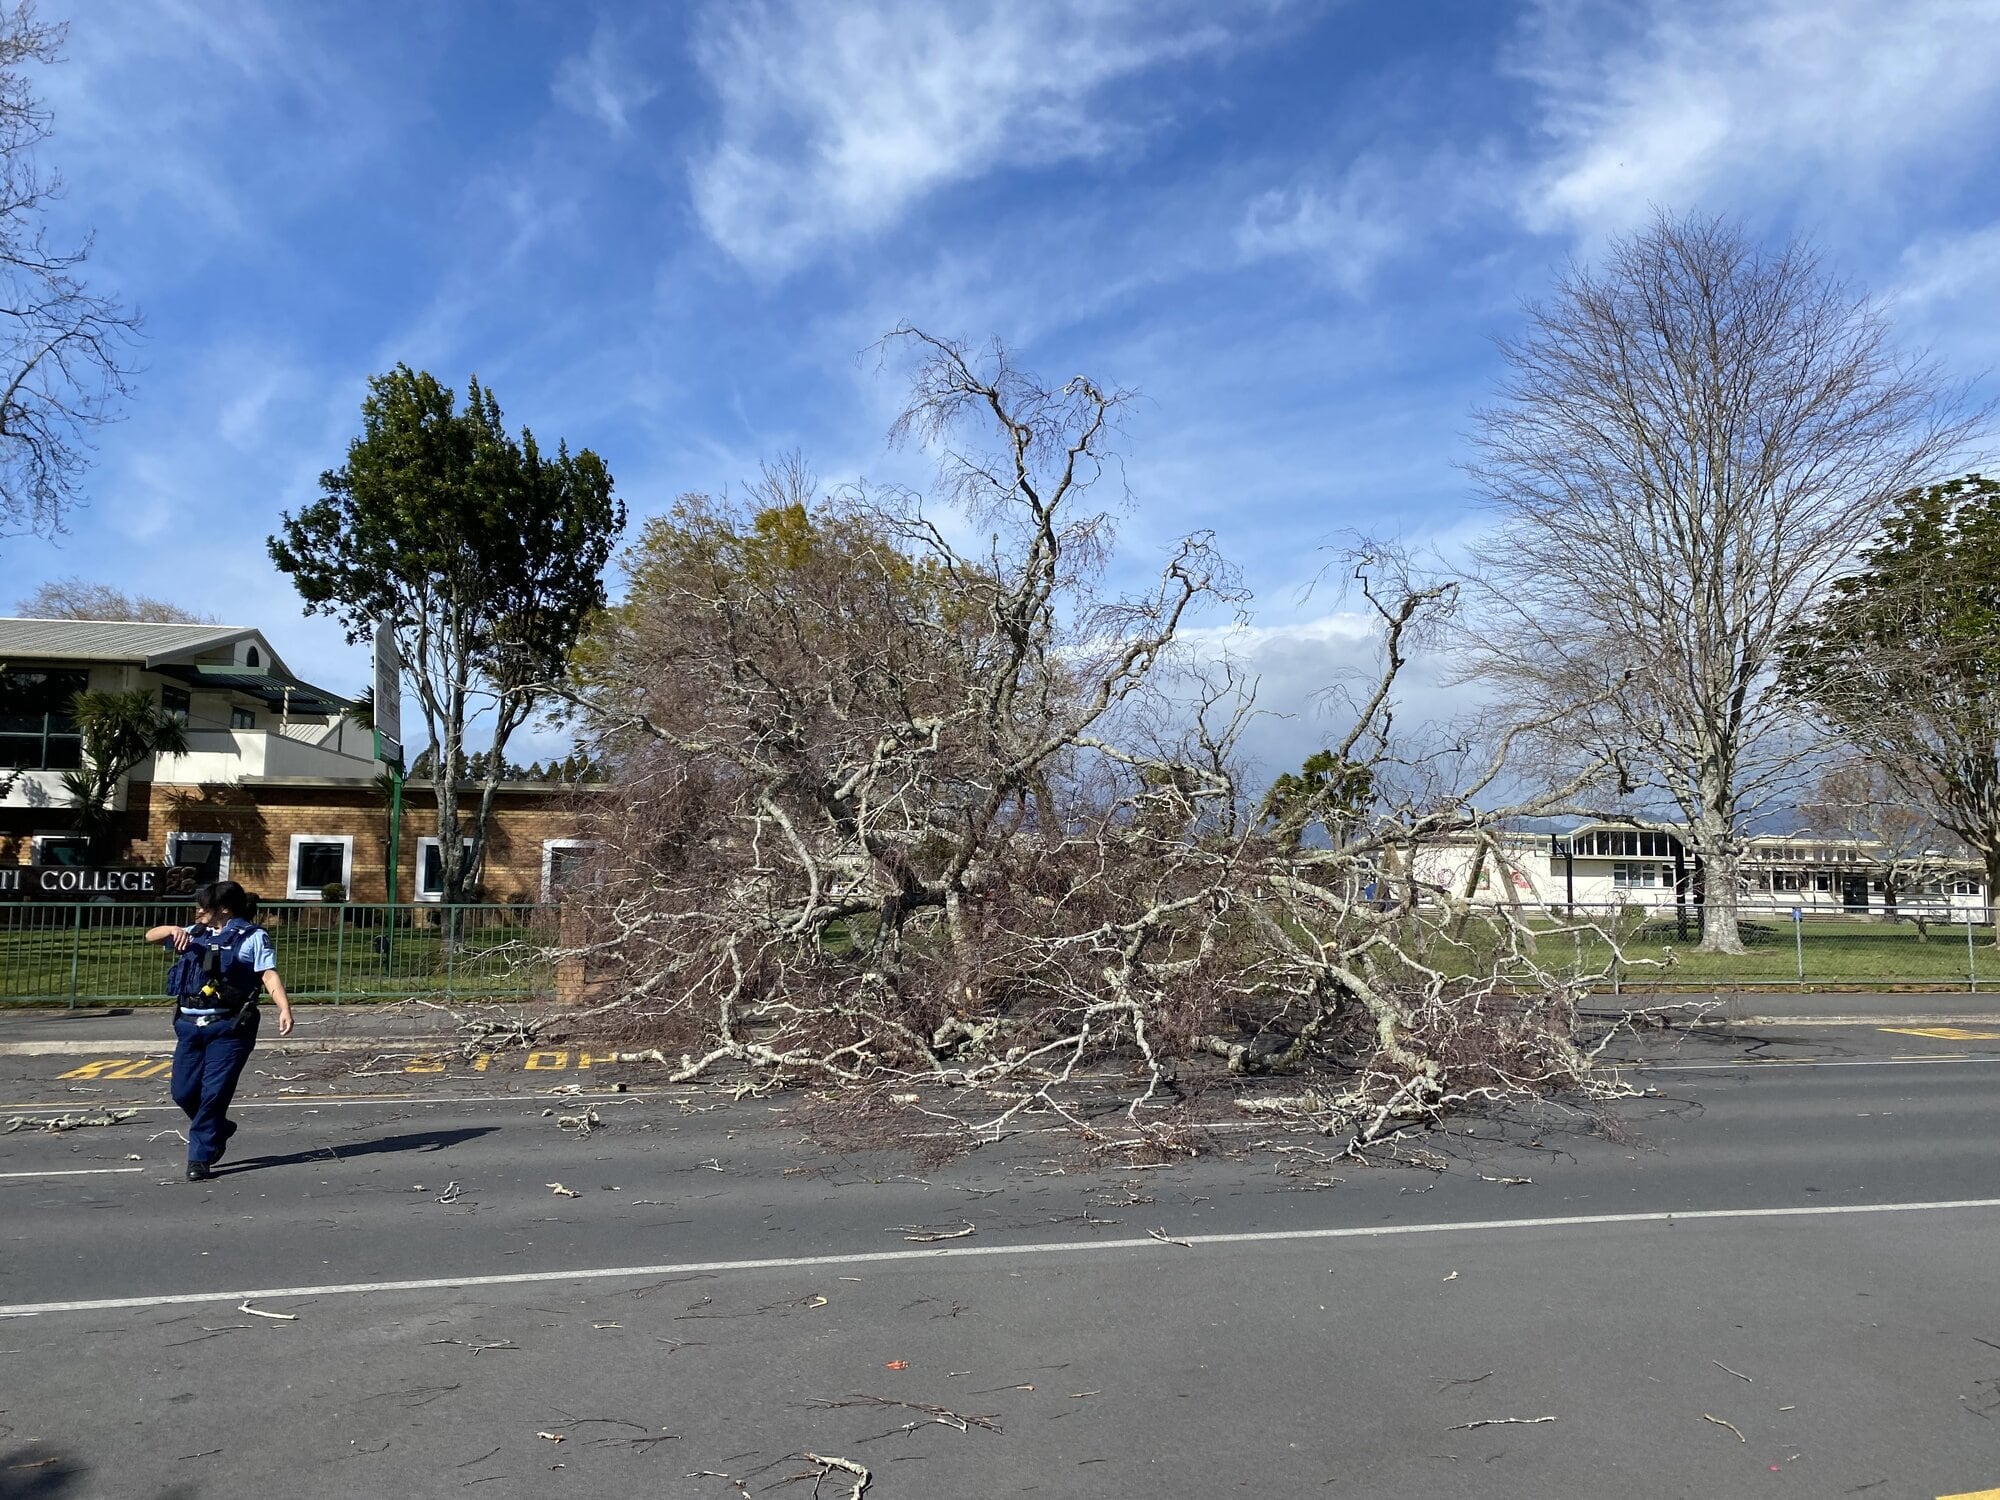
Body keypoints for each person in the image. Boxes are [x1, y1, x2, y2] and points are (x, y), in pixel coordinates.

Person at [144, 880, 293, 1181]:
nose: (198, 910)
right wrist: (172, 929)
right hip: (189, 1027)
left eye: (204, 905)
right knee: (183, 1092)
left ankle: (200, 1156)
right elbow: (150, 935)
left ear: (223, 909)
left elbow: (268, 975)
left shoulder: (252, 937)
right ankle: (220, 1127)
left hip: (229, 1028)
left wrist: (284, 1008)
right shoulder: (193, 933)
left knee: (214, 1094)